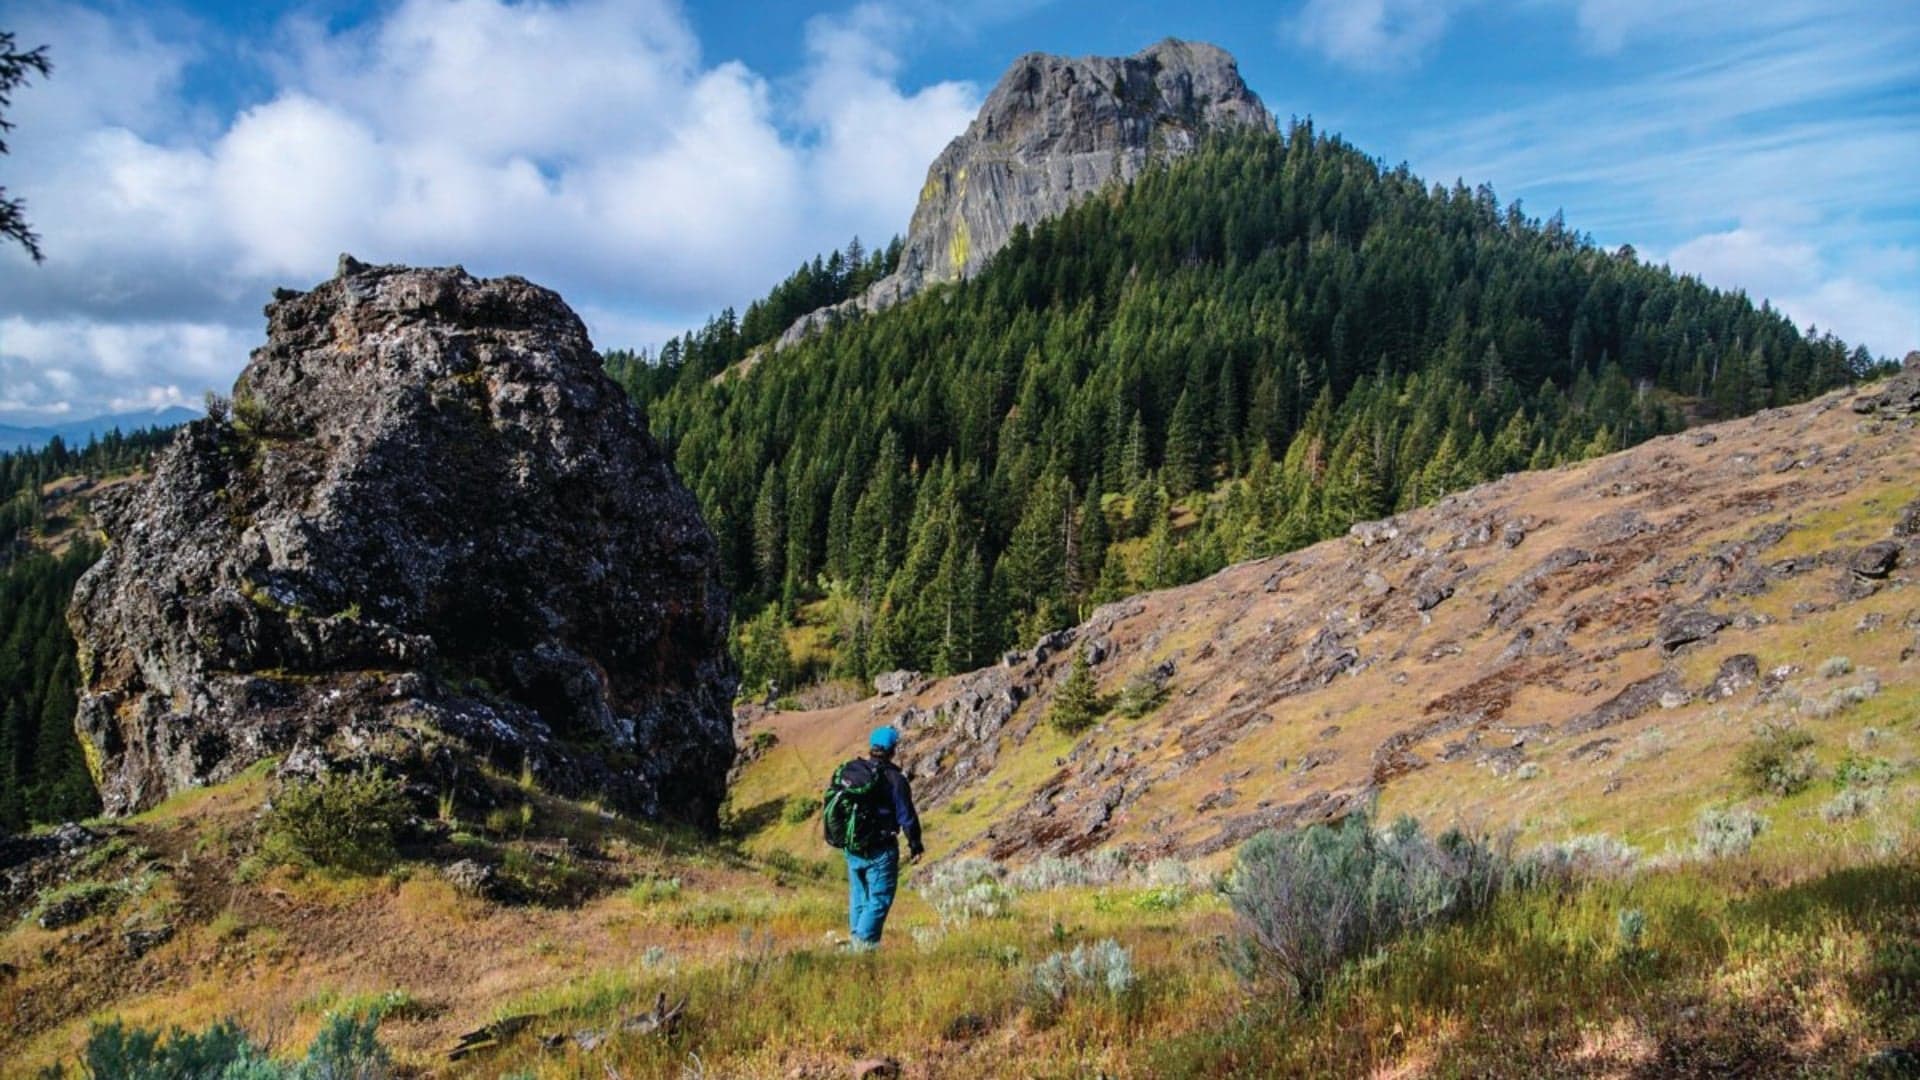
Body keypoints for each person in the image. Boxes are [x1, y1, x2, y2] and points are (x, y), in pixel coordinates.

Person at [845, 724, 923, 948]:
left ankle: (856, 942)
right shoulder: (895, 779)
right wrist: (915, 845)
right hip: (881, 849)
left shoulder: (856, 772)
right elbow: (907, 817)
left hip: (853, 848)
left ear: (872, 747)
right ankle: (860, 950)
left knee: (860, 898)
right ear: (893, 749)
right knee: (878, 899)